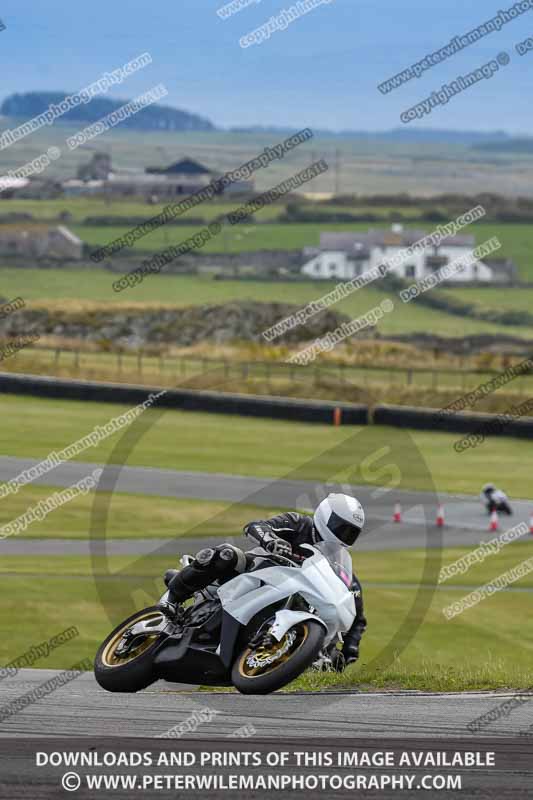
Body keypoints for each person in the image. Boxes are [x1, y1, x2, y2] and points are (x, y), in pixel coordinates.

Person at [163, 493, 367, 671]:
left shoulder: (337, 562)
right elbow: (255, 526)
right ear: (325, 516)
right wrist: (270, 540)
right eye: (340, 527)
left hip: (290, 595)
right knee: (227, 554)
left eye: (351, 532)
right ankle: (171, 600)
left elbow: (353, 607)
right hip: (256, 571)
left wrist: (350, 648)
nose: (344, 534)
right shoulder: (298, 523)